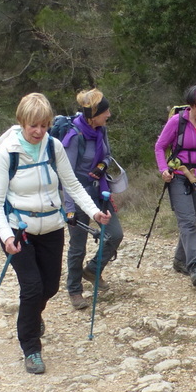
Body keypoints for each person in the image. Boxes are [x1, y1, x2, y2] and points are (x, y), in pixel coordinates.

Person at [0, 93, 112, 374]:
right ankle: (31, 348)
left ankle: (30, 316)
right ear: (22, 122)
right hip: (19, 230)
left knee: (51, 288)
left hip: (52, 228)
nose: (39, 131)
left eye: (43, 125)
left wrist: (94, 213)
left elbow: (74, 186)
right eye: (33, 125)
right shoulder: (8, 153)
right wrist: (7, 236)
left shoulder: (53, 146)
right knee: (32, 288)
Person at [61, 88, 125, 310]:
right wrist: (69, 209)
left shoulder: (101, 130)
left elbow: (107, 154)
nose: (108, 115)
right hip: (77, 198)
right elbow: (66, 177)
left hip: (100, 192)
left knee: (115, 234)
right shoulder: (73, 136)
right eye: (105, 112)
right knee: (77, 246)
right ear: (93, 115)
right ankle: (74, 290)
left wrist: (101, 166)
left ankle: (93, 270)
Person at [154, 84, 196, 287]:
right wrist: (163, 169)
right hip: (179, 176)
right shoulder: (177, 122)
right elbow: (160, 146)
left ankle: (179, 260)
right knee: (188, 222)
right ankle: (195, 267)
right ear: (191, 104)